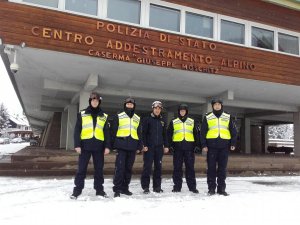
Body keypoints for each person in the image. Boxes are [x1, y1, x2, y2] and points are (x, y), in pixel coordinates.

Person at [71, 92, 111, 199]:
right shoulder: (82, 114)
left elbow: (107, 132)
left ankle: (99, 190)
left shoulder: (104, 116)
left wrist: (107, 146)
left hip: (99, 147)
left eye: (97, 100)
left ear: (99, 102)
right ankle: (77, 191)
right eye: (93, 100)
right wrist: (77, 145)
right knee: (81, 169)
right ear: (90, 101)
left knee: (99, 170)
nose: (95, 102)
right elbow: (77, 131)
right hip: (85, 147)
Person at [200, 98, 237, 196]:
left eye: (219, 104)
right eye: (215, 104)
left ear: (221, 105)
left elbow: (233, 131)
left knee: (222, 169)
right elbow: (203, 132)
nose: (217, 106)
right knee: (211, 168)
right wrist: (203, 145)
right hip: (211, 146)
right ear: (212, 106)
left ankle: (221, 189)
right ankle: (211, 189)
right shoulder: (208, 117)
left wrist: (233, 143)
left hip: (224, 147)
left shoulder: (228, 116)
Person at [111, 97, 143, 197]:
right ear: (125, 105)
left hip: (132, 146)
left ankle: (125, 188)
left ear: (134, 106)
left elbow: (139, 133)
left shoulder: (137, 118)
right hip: (121, 146)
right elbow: (113, 131)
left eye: (131, 104)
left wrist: (139, 146)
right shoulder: (119, 116)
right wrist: (113, 145)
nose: (129, 105)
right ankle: (117, 189)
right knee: (119, 168)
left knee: (128, 169)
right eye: (128, 104)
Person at [167, 103, 200, 194]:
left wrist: (197, 145)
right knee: (177, 168)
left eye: (184, 110)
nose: (182, 112)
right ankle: (177, 187)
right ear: (179, 112)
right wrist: (169, 146)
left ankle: (192, 187)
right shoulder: (174, 121)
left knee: (190, 168)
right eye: (181, 110)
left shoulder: (192, 121)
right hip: (177, 148)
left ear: (186, 111)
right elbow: (169, 134)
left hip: (189, 148)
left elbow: (196, 134)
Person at [141, 101, 169, 194]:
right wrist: (143, 145)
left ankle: (157, 187)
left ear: (160, 110)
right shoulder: (147, 119)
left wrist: (166, 145)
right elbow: (143, 133)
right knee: (147, 167)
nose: (157, 110)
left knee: (158, 167)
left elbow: (165, 134)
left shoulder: (163, 121)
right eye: (155, 108)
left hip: (159, 148)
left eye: (159, 108)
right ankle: (145, 187)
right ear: (152, 109)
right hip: (149, 147)